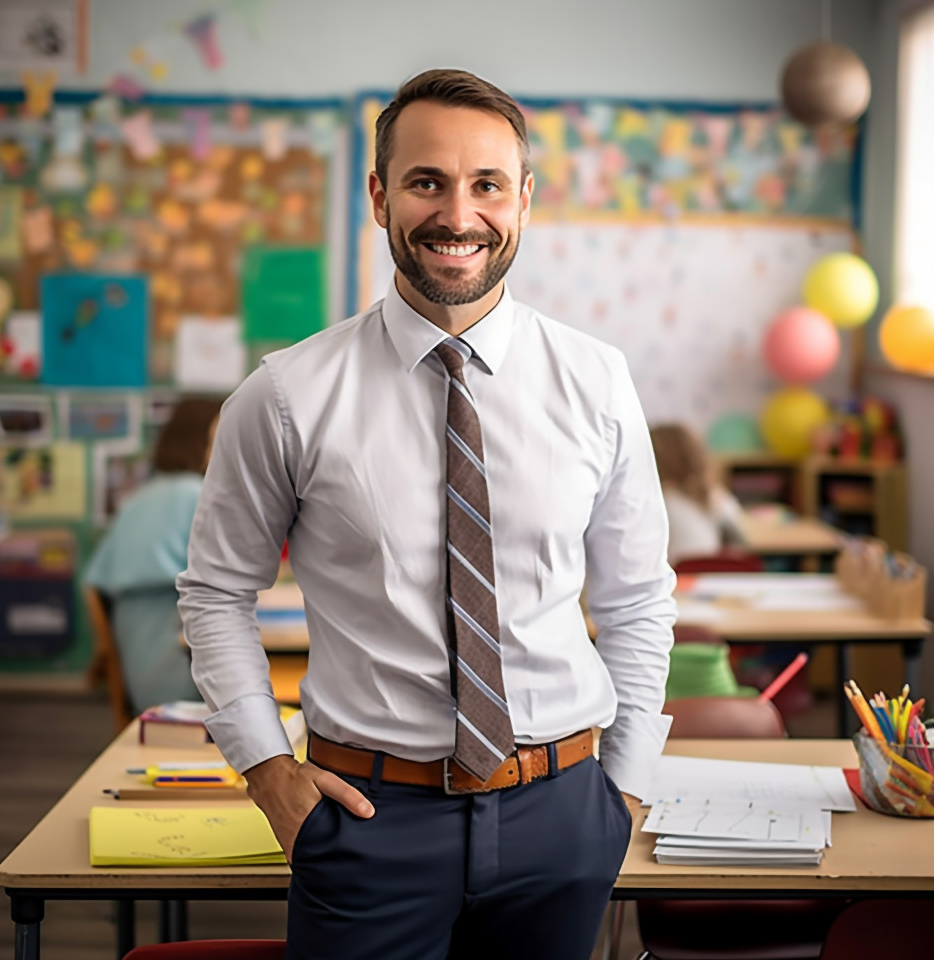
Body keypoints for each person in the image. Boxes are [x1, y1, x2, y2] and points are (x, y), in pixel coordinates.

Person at [178, 69, 675, 960]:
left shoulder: (597, 382)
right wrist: (267, 773)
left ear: (524, 201)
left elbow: (638, 599)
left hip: (561, 815)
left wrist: (623, 790)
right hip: (368, 820)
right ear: (379, 196)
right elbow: (216, 595)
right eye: (425, 182)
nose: (459, 214)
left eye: (487, 184)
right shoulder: (286, 395)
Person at [85, 397, 221, 714]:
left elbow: (94, 581)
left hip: (142, 659)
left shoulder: (142, 497)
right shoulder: (197, 495)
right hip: (180, 670)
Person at [650, 422, 746, 565]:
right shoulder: (715, 495)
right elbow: (742, 534)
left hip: (677, 577)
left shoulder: (659, 500)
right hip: (710, 575)